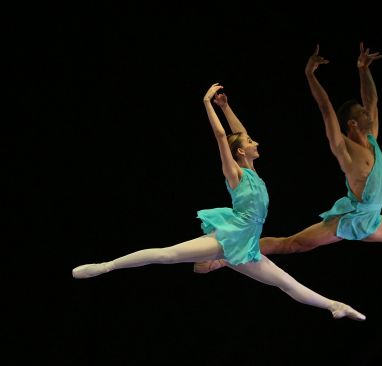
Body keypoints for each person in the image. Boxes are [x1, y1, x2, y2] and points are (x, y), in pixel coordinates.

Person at [71, 82, 366, 321]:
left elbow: (238, 134)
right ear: (240, 153)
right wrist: (207, 103)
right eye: (250, 143)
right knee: (168, 255)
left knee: (285, 282)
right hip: (230, 235)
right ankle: (105, 266)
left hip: (247, 244)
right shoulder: (235, 172)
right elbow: (223, 136)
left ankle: (333, 305)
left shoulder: (252, 171)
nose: (256, 143)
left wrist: (226, 107)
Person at [194, 43, 382, 274]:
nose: (369, 114)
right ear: (352, 124)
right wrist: (311, 76)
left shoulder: (371, 138)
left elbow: (373, 100)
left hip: (370, 218)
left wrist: (363, 69)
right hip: (354, 219)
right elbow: (327, 111)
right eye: (362, 115)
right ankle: (220, 257)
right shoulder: (345, 149)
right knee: (293, 244)